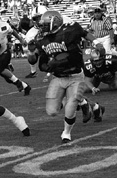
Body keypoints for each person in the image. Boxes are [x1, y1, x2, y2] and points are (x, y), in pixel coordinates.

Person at [35, 10, 105, 143]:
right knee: (51, 111)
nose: (42, 27)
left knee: (70, 107)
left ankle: (66, 133)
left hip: (75, 76)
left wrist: (97, 43)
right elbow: (41, 63)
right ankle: (88, 104)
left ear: (55, 22)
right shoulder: (42, 39)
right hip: (58, 77)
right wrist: (46, 67)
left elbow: (83, 35)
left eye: (45, 24)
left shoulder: (70, 31)